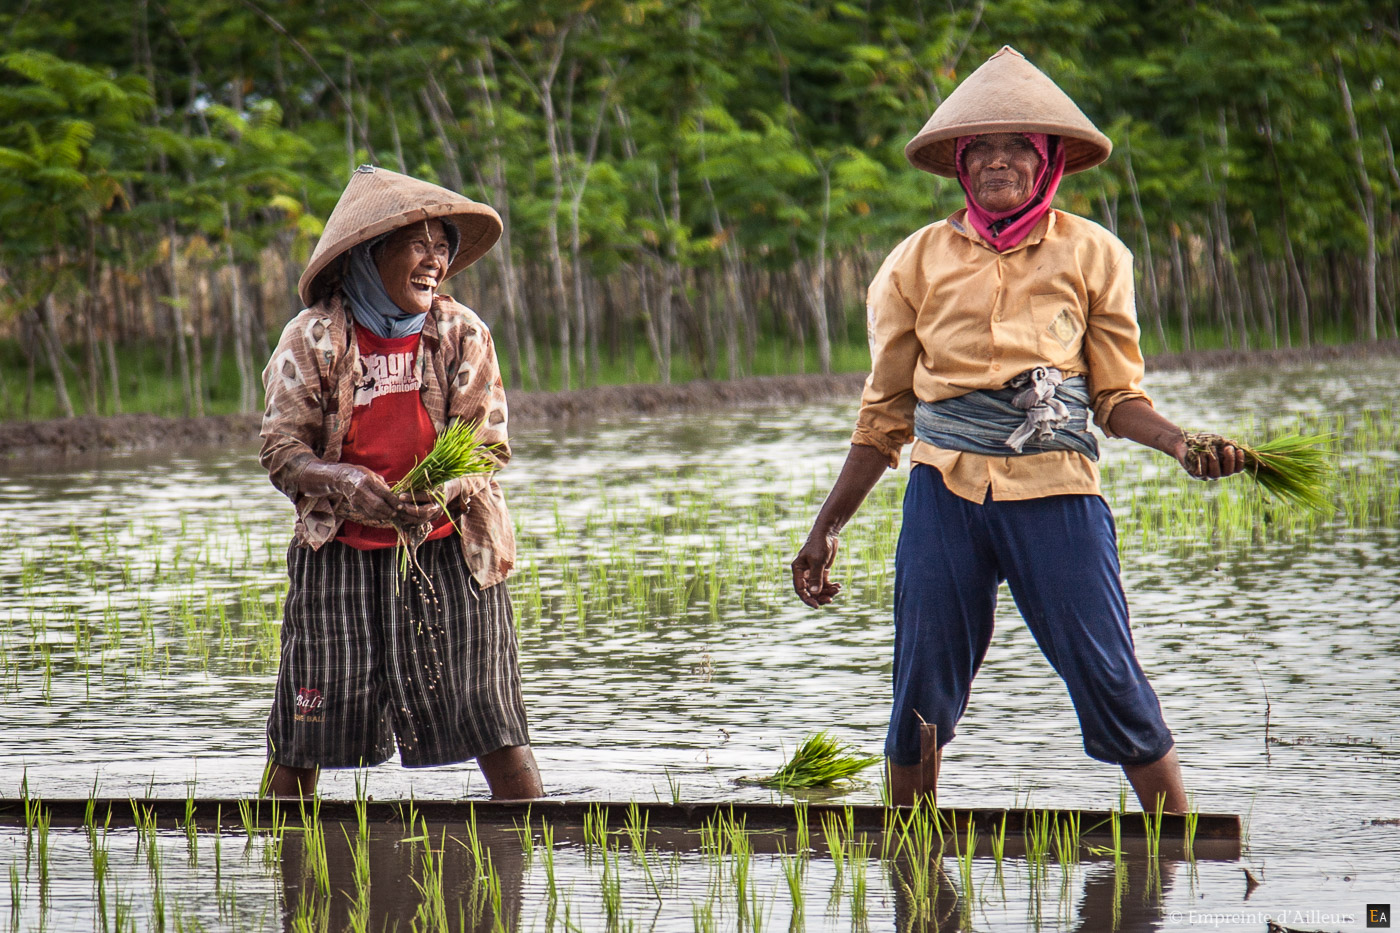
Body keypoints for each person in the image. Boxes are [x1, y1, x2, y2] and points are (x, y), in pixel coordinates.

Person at [790, 47, 1244, 811]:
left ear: (1048, 162)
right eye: (983, 151)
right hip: (945, 490)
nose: (998, 163)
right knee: (921, 686)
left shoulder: (1093, 251)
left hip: (1058, 488)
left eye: (1016, 150)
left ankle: (1180, 847)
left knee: (1108, 673)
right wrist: (826, 527)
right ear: (962, 166)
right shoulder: (916, 261)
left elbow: (1116, 396)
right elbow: (885, 414)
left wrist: (1179, 442)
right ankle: (912, 852)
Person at [258, 165, 542, 799]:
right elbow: (282, 450)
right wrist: (342, 481)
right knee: (304, 733)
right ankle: (283, 868)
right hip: (340, 554)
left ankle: (527, 861)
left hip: (449, 550)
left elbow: (486, 447)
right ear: (369, 252)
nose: (435, 260)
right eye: (419, 244)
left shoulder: (461, 333)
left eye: (443, 247)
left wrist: (442, 490)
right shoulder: (313, 339)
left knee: (496, 725)